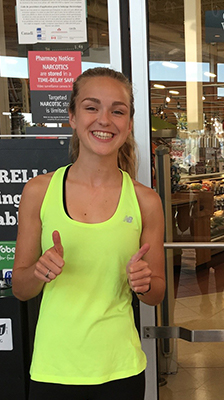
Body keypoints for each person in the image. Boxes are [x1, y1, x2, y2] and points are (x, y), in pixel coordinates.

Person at [12, 67, 165, 400]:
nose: (104, 120)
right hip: (54, 368)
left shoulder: (145, 200)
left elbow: (156, 293)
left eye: (117, 110)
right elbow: (21, 288)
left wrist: (144, 282)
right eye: (92, 107)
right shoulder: (39, 191)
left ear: (128, 122)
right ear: (72, 116)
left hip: (120, 367)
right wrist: (39, 272)